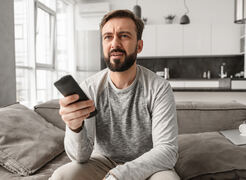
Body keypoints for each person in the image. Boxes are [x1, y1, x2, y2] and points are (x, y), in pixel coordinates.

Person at [50, 9, 179, 180]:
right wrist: (74, 127)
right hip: (102, 162)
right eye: (108, 37)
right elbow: (79, 157)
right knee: (60, 176)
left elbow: (167, 151)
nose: (115, 43)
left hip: (148, 165)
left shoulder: (159, 88)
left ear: (139, 46)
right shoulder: (89, 88)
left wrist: (119, 176)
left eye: (124, 36)